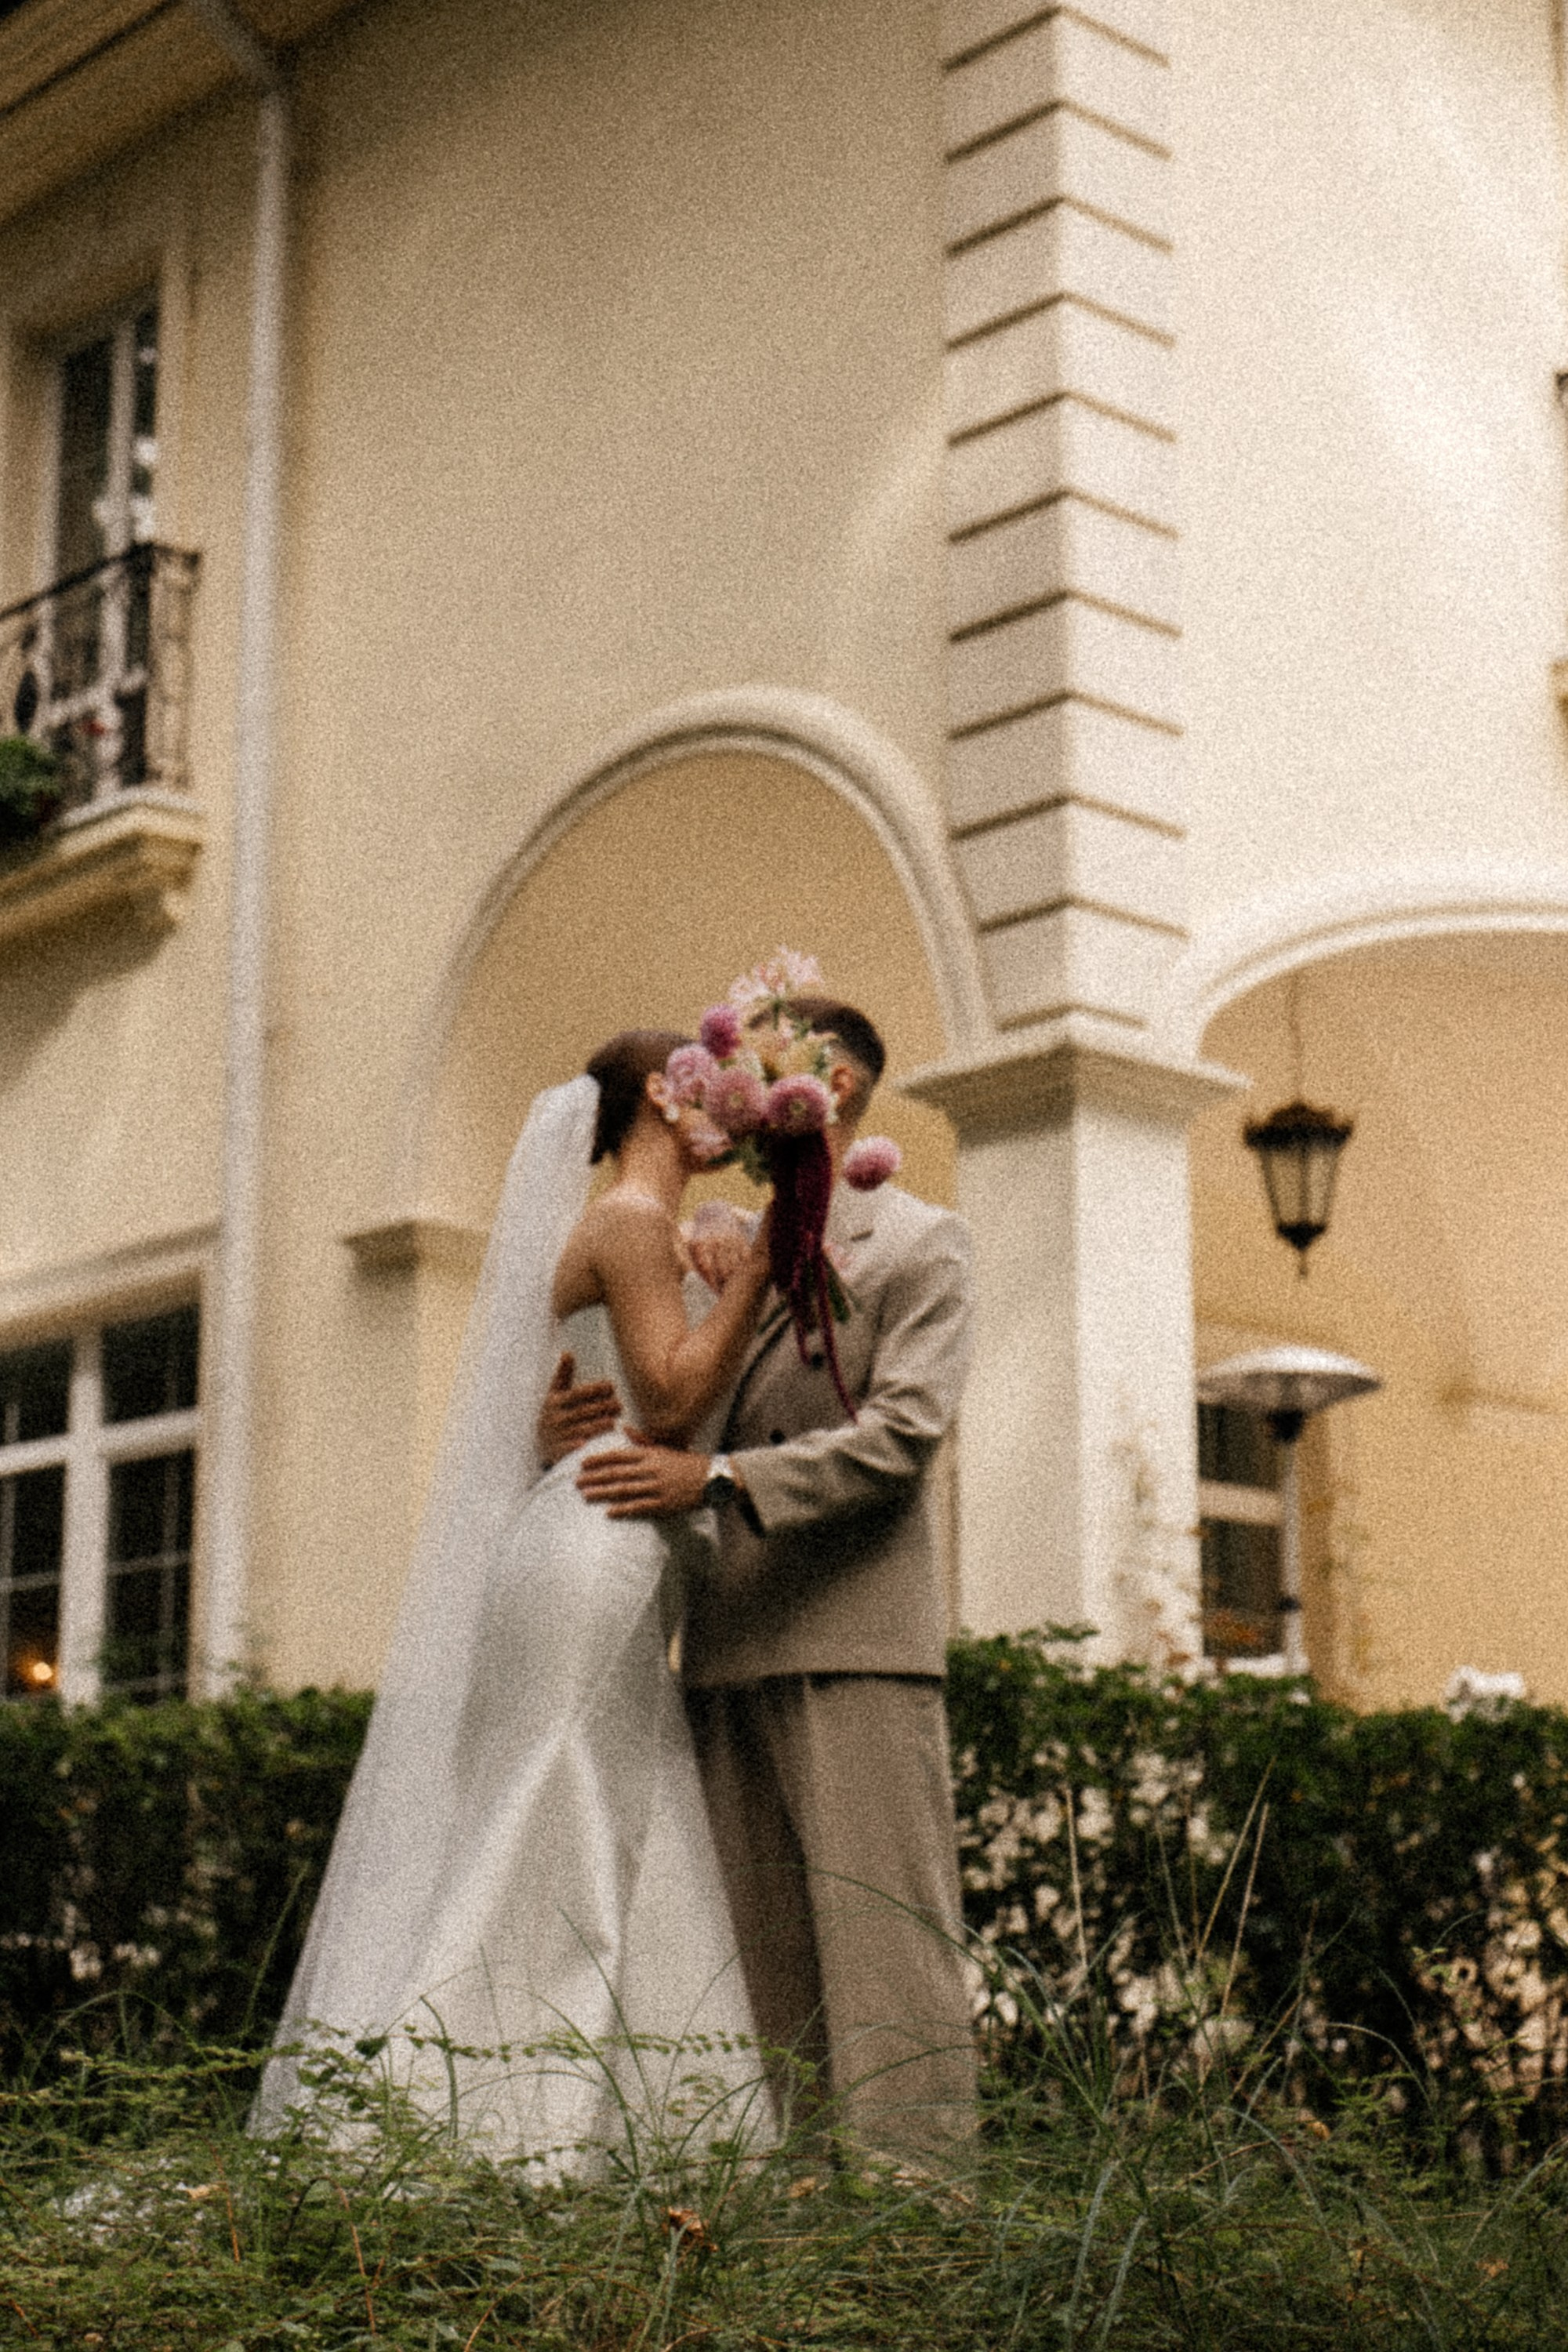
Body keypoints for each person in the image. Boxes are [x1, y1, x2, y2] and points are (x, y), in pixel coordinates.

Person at [254, 1033, 776, 2169]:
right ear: (656, 1090)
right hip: (601, 1541)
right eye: (710, 1078)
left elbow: (591, 1398)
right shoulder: (634, 1220)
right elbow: (673, 1400)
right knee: (560, 1810)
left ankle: (608, 2140)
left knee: (606, 1811)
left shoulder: (645, 1230)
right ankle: (466, 2137)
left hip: (597, 1533)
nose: (735, 1106)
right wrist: (764, 1278)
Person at [541, 999, 978, 2155]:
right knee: (758, 1975)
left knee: (889, 1960)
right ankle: (794, 2238)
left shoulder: (922, 1243)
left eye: (758, 1062)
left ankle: (917, 2237)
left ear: (829, 1087)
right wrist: (555, 1427)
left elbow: (901, 1440)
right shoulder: (709, 1241)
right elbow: (640, 1387)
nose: (729, 1079)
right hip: (720, 1648)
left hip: (854, 1647)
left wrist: (719, 1479)